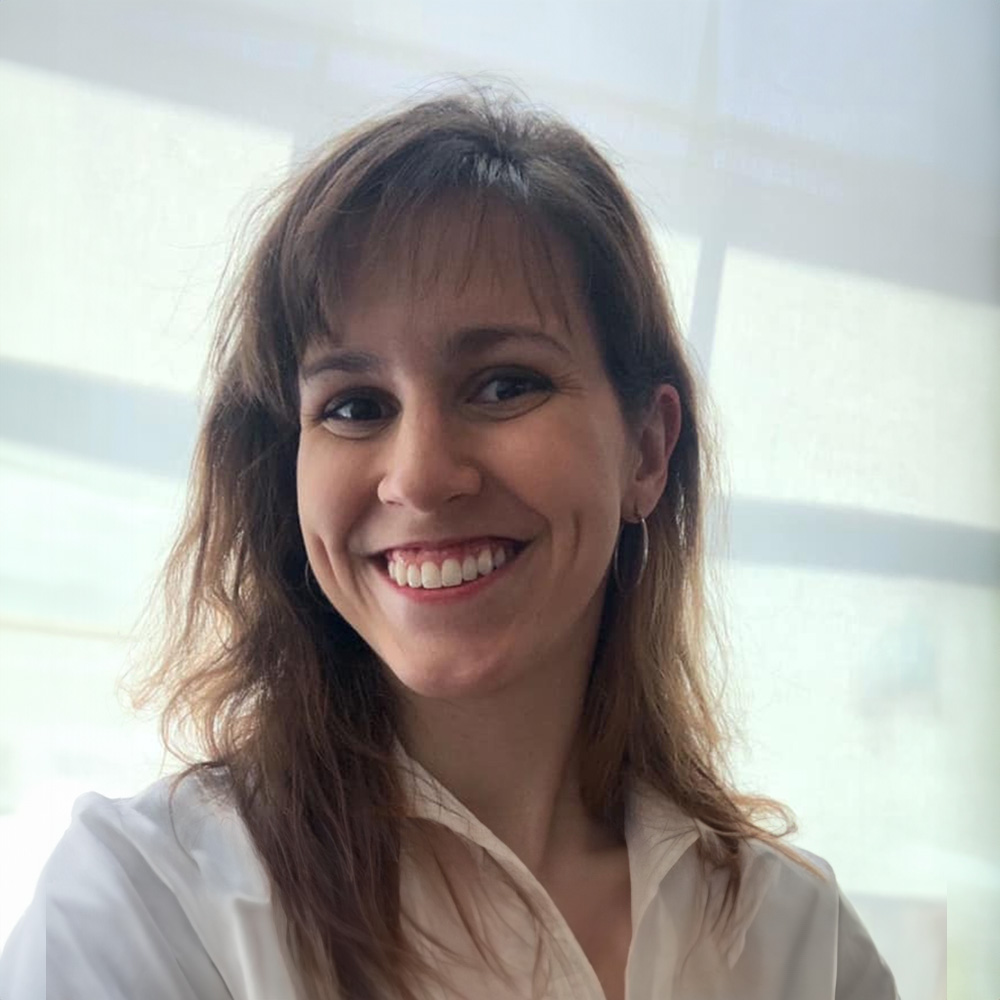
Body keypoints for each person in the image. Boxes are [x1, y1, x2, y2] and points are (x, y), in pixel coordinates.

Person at [0, 88, 898, 1000]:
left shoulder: (803, 946)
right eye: (353, 406)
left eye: (505, 385)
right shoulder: (142, 905)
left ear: (647, 450)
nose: (421, 476)